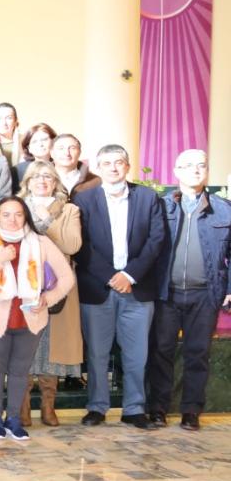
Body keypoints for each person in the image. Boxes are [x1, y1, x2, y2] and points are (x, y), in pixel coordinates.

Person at [0, 197, 74, 441]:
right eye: (6, 214)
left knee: (20, 371)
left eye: (18, 214)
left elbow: (66, 277)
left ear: (26, 217)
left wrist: (49, 298)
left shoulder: (41, 243)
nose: (12, 220)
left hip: (30, 317)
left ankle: (13, 419)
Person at [72, 144, 166, 429]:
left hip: (137, 290)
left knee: (137, 354)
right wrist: (112, 276)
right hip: (97, 290)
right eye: (107, 163)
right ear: (98, 168)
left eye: (119, 162)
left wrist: (130, 275)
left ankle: (134, 409)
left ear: (127, 166)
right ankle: (97, 407)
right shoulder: (84, 199)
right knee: (97, 354)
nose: (113, 167)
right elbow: (80, 245)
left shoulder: (148, 197)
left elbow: (156, 240)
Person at [148, 148, 231, 432]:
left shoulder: (223, 209)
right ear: (176, 171)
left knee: (198, 353)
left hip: (205, 294)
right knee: (161, 352)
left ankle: (191, 411)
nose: (196, 170)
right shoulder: (160, 206)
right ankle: (157, 409)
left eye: (201, 165)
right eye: (188, 165)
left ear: (207, 171)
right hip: (166, 293)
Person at [19, 162, 83, 426]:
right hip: (23, 286)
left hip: (59, 287)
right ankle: (21, 407)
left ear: (56, 181)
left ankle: (48, 405)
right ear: (27, 181)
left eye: (48, 176)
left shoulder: (69, 209)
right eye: (36, 176)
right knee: (23, 346)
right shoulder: (15, 207)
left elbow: (72, 244)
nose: (42, 180)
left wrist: (45, 220)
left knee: (52, 346)